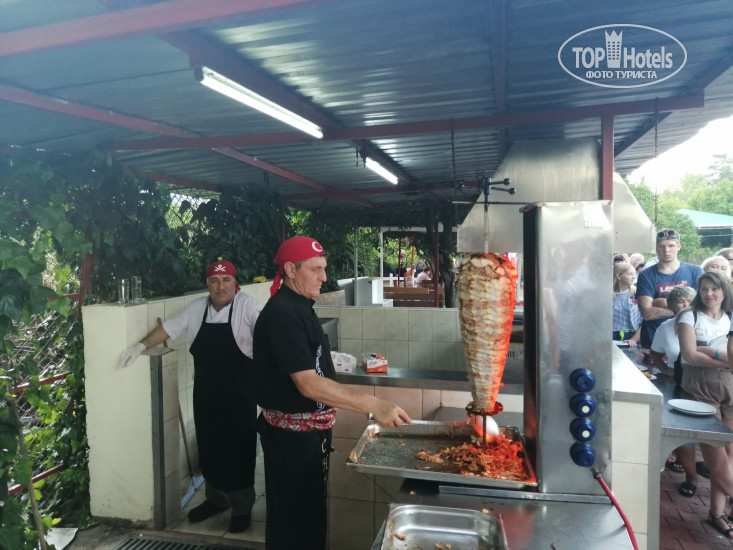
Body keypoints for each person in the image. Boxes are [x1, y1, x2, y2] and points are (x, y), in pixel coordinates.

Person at [253, 236, 412, 550]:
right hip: (290, 442)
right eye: (315, 269)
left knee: (310, 515)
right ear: (290, 270)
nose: (323, 277)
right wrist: (374, 404)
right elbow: (308, 384)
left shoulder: (300, 307)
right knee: (294, 522)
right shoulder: (282, 313)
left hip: (308, 437)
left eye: (323, 268)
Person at [119, 259, 263, 533]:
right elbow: (168, 328)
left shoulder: (249, 306)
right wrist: (139, 346)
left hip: (240, 395)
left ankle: (242, 507)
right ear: (207, 284)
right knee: (210, 446)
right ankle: (216, 500)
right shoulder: (197, 309)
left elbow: (268, 335)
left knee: (239, 449)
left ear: (235, 283)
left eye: (226, 280)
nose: (220, 286)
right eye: (214, 281)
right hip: (206, 393)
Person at [676, 270, 733, 536]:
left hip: (730, 386)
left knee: (730, 456)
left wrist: (711, 350)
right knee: (716, 455)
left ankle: (717, 514)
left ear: (725, 290)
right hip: (700, 387)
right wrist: (727, 360)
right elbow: (690, 355)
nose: (709, 293)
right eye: (704, 288)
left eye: (715, 288)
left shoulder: (730, 317)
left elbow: (700, 352)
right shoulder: (689, 316)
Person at [648, 286, 703, 497]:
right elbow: (654, 353)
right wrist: (665, 369)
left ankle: (722, 483)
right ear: (672, 307)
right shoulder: (666, 327)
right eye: (680, 302)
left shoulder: (708, 325)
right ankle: (692, 477)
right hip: (681, 385)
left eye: (689, 301)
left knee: (720, 439)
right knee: (685, 434)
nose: (685, 306)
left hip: (709, 384)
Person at [636, 228, 703, 351]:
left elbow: (700, 307)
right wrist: (684, 308)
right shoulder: (646, 275)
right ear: (656, 248)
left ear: (679, 246)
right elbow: (647, 313)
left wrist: (660, 302)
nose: (666, 250)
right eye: (661, 246)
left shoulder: (695, 271)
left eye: (671, 246)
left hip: (688, 340)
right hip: (653, 341)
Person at [612, 263, 641, 346]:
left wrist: (634, 339)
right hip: (611, 336)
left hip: (633, 337)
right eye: (630, 274)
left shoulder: (636, 293)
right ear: (619, 276)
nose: (634, 277)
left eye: (634, 274)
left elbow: (645, 321)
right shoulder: (606, 295)